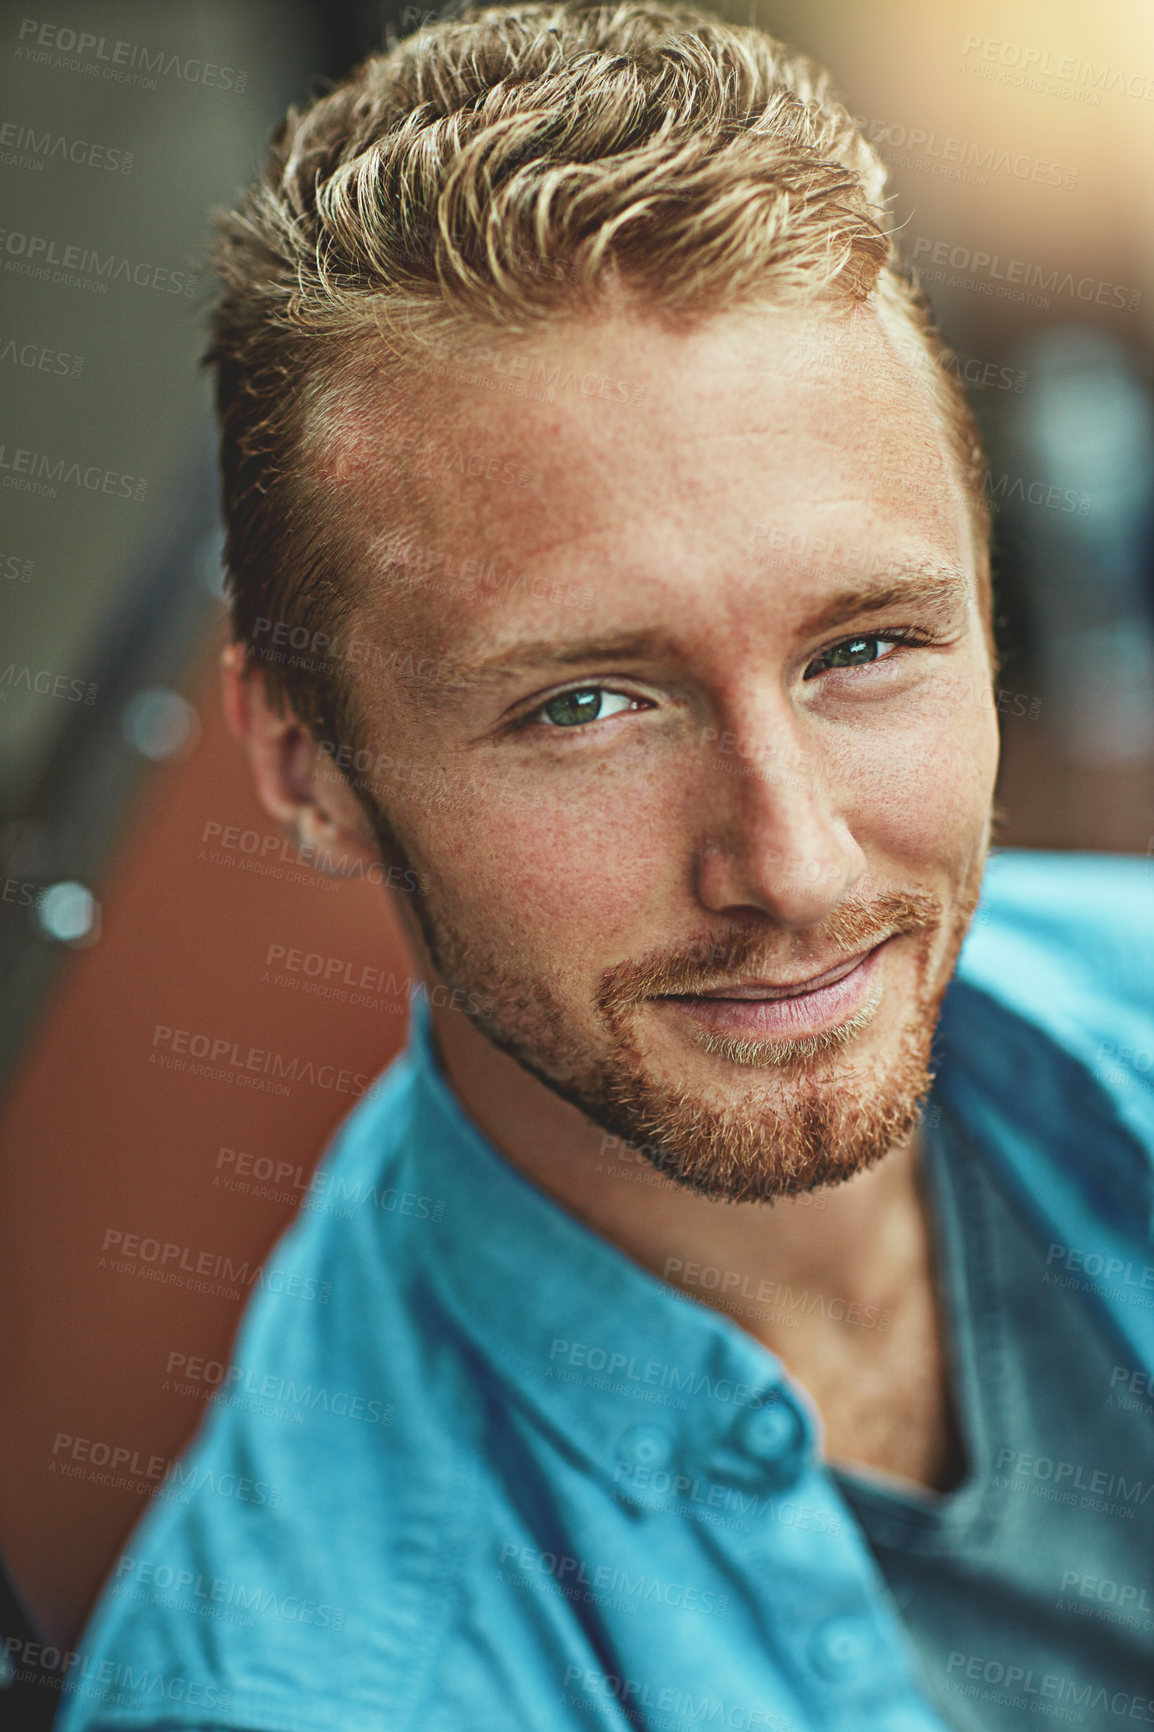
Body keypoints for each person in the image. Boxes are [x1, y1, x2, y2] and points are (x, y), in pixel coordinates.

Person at [57, 4, 1154, 1729]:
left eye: (862, 647)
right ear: (305, 761)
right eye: (585, 703)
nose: (791, 865)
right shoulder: (331, 1687)